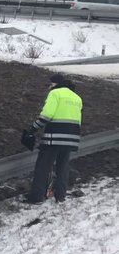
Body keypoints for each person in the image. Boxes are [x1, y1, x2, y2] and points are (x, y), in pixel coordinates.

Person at [24, 73, 83, 204]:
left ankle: (37, 197)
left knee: (43, 166)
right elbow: (78, 120)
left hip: (54, 137)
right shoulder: (77, 97)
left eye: (50, 84)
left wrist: (33, 129)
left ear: (55, 83)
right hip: (71, 138)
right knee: (63, 167)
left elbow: (47, 114)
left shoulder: (55, 93)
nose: (49, 87)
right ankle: (60, 195)